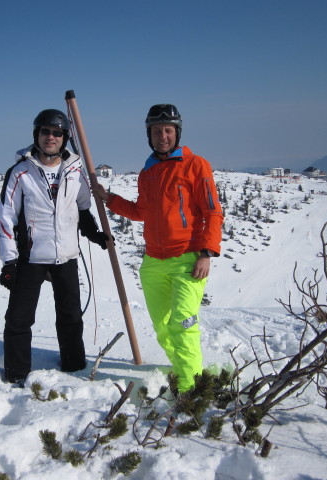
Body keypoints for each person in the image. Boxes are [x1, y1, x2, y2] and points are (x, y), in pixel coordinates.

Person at [95, 104, 223, 393]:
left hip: (187, 259)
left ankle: (191, 391)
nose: (162, 136)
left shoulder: (195, 165)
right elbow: (141, 211)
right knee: (163, 327)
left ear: (177, 133)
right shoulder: (147, 172)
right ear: (149, 135)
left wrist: (207, 253)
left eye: (168, 130)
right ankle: (182, 370)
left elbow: (212, 211)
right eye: (156, 131)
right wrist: (109, 198)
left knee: (183, 323)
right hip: (153, 261)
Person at [0, 108, 109, 385]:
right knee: (19, 319)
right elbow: (6, 217)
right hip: (31, 257)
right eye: (45, 131)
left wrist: (92, 231)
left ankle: (74, 366)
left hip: (66, 256)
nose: (51, 137)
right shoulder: (21, 172)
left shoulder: (74, 169)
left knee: (70, 317)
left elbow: (82, 205)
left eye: (57, 133)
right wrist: (9, 262)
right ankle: (16, 374)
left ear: (65, 138)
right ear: (37, 135)